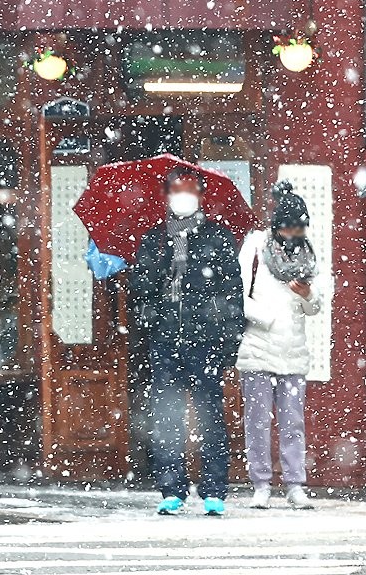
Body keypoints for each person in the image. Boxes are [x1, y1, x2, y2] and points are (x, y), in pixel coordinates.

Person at [129, 167, 245, 517]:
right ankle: (171, 488)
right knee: (167, 417)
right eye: (177, 189)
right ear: (166, 195)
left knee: (210, 415)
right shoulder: (153, 240)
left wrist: (229, 340)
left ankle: (214, 490)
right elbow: (140, 290)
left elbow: (232, 291)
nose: (183, 195)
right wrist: (150, 308)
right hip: (166, 339)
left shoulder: (218, 238)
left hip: (206, 339)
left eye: (190, 189)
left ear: (201, 195)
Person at [236, 182, 321, 511]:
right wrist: (266, 319)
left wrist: (308, 296)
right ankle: (260, 483)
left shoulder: (308, 256)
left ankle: (294, 483)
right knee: (256, 420)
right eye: (288, 226)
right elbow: (238, 294)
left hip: (294, 351)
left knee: (293, 422)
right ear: (277, 225)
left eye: (299, 227)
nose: (293, 233)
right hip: (258, 347)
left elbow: (317, 306)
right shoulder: (256, 247)